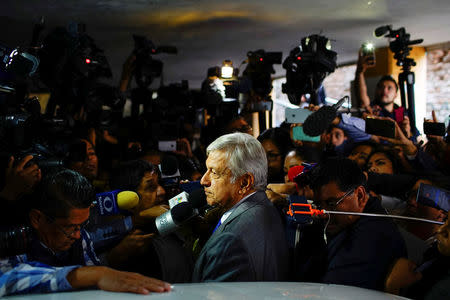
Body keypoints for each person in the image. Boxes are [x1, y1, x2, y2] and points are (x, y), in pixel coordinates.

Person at [0, 168, 171, 296]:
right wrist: (88, 275)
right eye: (69, 227)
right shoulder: (13, 243)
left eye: (82, 225)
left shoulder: (80, 237)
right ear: (37, 219)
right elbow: (6, 278)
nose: (77, 235)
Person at [192, 132, 289, 282]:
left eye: (214, 172)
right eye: (206, 170)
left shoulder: (230, 240)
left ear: (244, 183)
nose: (203, 181)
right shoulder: (266, 208)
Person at [301, 157, 407, 290]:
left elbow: (332, 293)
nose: (323, 213)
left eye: (331, 204)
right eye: (318, 205)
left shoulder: (370, 240)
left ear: (360, 195)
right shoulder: (350, 221)